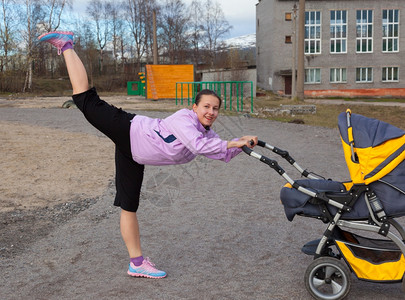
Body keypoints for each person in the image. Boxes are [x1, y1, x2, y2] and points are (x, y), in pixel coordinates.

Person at [38, 31, 258, 279]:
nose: (211, 112)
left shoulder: (207, 133)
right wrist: (233, 142)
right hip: (129, 129)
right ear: (194, 107)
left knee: (128, 206)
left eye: (215, 108)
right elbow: (199, 146)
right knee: (86, 100)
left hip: (134, 154)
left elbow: (222, 154)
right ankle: (67, 44)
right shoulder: (184, 119)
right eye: (206, 106)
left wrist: (241, 145)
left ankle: (137, 263)